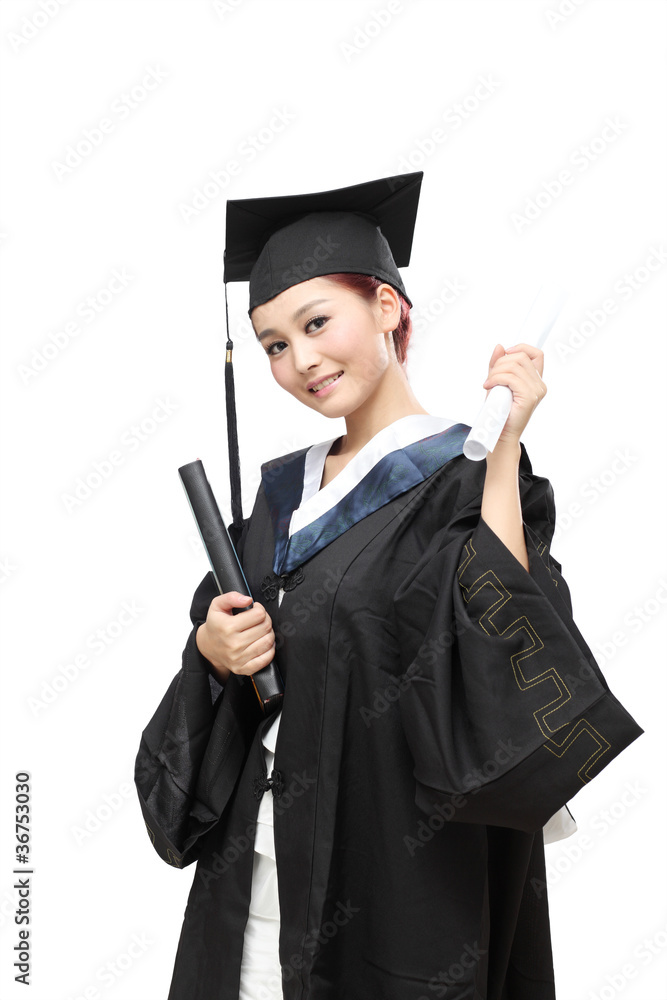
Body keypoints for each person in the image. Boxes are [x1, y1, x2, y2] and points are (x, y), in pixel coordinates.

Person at [134, 172, 642, 1000]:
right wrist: (213, 646)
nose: (299, 361)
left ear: (388, 307)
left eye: (315, 323)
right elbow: (226, 655)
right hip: (254, 866)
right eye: (271, 344)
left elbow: (502, 634)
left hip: (392, 883)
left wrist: (505, 446)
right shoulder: (275, 496)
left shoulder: (459, 474)